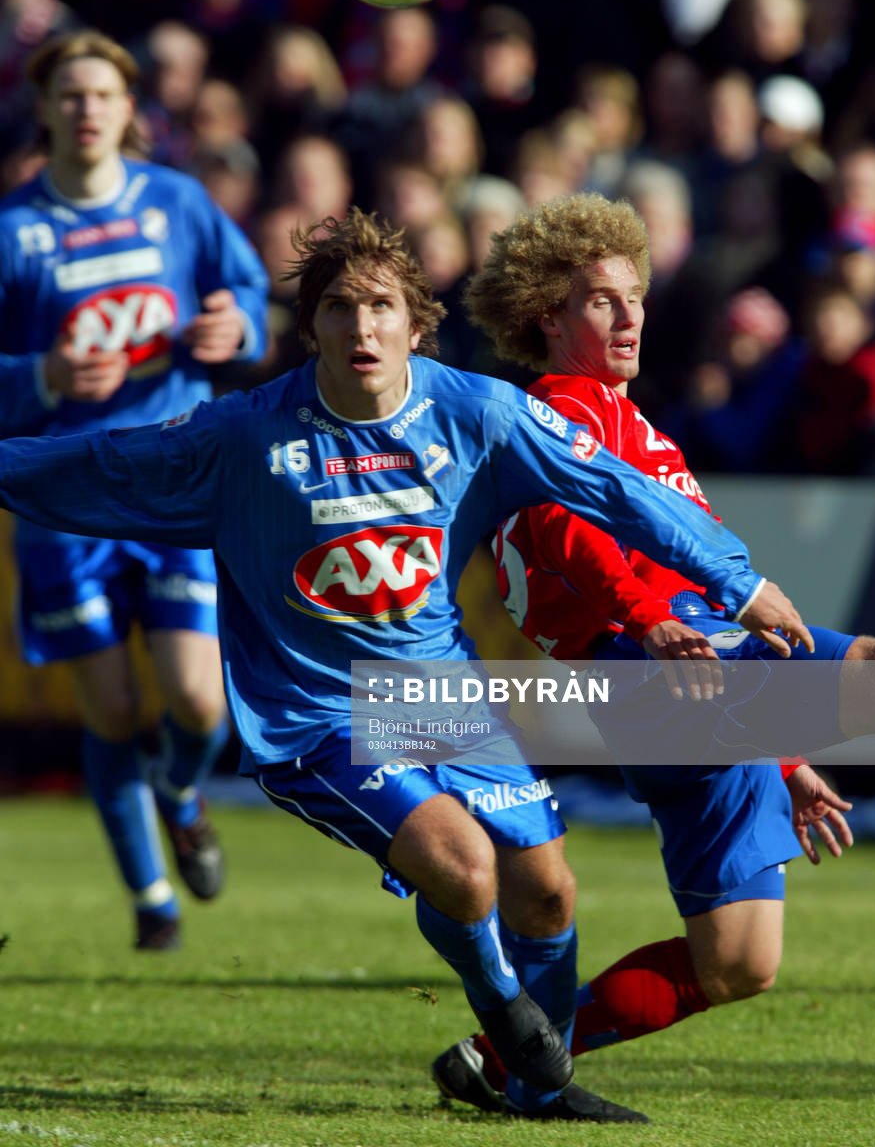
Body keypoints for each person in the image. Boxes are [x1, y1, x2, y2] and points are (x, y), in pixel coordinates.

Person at [0, 205, 810, 1120]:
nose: (361, 326)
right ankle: (512, 1025)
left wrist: (733, 584)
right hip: (315, 711)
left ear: (417, 324)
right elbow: (96, 464)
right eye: (338, 308)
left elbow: (617, 493)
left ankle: (526, 1093)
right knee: (465, 866)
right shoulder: (241, 438)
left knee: (544, 890)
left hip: (437, 694)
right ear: (309, 328)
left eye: (381, 306)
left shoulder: (477, 412)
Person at [431, 191, 860, 1112]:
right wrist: (642, 618)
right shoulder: (547, 412)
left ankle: (501, 1059)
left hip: (697, 675)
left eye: (633, 295)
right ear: (549, 315)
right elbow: (555, 530)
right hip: (648, 666)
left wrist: (784, 755)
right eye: (600, 300)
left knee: (739, 962)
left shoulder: (636, 424)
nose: (628, 315)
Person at [0, 30, 269, 950]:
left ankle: (181, 789)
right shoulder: (15, 231)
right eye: (69, 95)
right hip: (62, 495)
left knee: (199, 702)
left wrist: (233, 328)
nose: (85, 110)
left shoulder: (178, 204)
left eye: (102, 94)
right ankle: (152, 900)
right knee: (112, 709)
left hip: (174, 479)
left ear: (129, 110)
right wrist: (39, 379)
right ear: (44, 109)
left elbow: (248, 299)